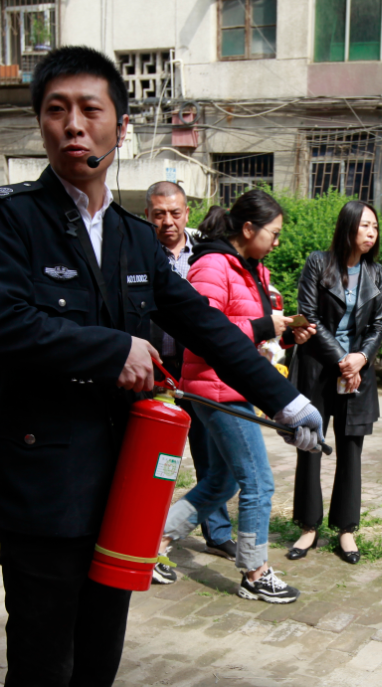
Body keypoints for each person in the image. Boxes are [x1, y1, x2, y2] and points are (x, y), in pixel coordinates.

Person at [0, 46, 323, 687]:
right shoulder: (9, 220)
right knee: (43, 665)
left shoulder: (132, 239)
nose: (73, 125)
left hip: (122, 492)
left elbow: (204, 324)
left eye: (89, 109)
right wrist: (109, 347)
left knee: (98, 658)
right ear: (41, 124)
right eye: (56, 109)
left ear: (120, 126)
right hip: (43, 487)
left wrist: (283, 399)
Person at [155, 189, 316, 603]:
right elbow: (204, 332)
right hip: (217, 387)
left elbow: (248, 329)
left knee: (221, 481)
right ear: (248, 228)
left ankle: (152, 542)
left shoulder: (250, 268)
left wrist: (285, 333)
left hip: (236, 385)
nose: (276, 242)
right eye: (273, 233)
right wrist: (264, 326)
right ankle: (254, 571)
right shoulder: (212, 265)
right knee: (258, 482)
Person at [288, 200, 382, 564]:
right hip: (318, 368)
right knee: (310, 445)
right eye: (364, 226)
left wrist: (361, 358)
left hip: (357, 373)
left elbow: (378, 324)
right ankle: (308, 527)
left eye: (375, 227)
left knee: (351, 451)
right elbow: (309, 317)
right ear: (347, 227)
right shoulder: (318, 263)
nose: (371, 233)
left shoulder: (375, 272)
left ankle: (346, 530)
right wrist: (344, 359)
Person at [144, 180, 234, 560]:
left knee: (209, 454)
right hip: (154, 371)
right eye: (159, 214)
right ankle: (145, 531)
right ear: (148, 215)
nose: (168, 221)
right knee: (153, 458)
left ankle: (218, 532)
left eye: (175, 213)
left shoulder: (205, 256)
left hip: (196, 370)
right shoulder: (139, 254)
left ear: (187, 213)